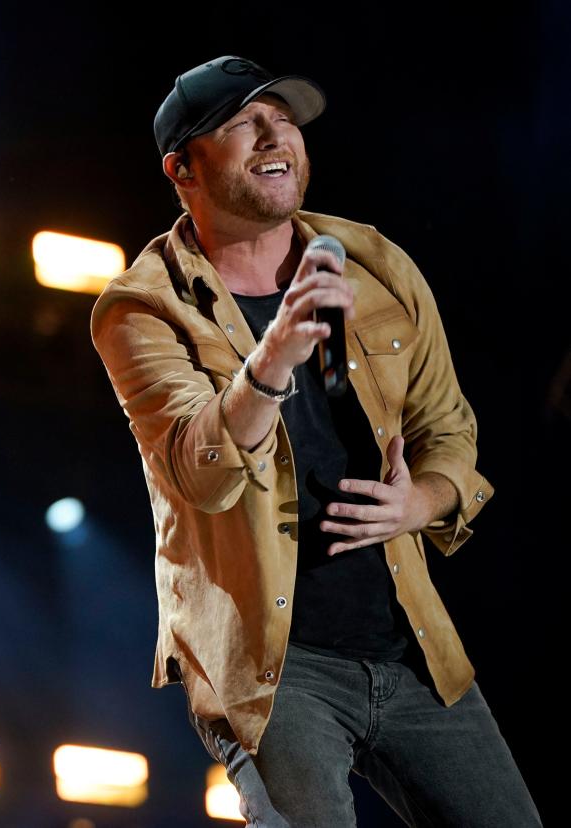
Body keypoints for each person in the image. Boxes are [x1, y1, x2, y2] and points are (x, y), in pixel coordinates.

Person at [89, 55, 542, 826]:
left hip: (412, 651)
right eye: (243, 124)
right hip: (275, 673)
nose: (277, 135)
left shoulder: (373, 262)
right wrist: (272, 359)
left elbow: (449, 429)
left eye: (285, 119)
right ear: (182, 169)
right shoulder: (143, 309)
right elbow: (200, 477)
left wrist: (420, 501)